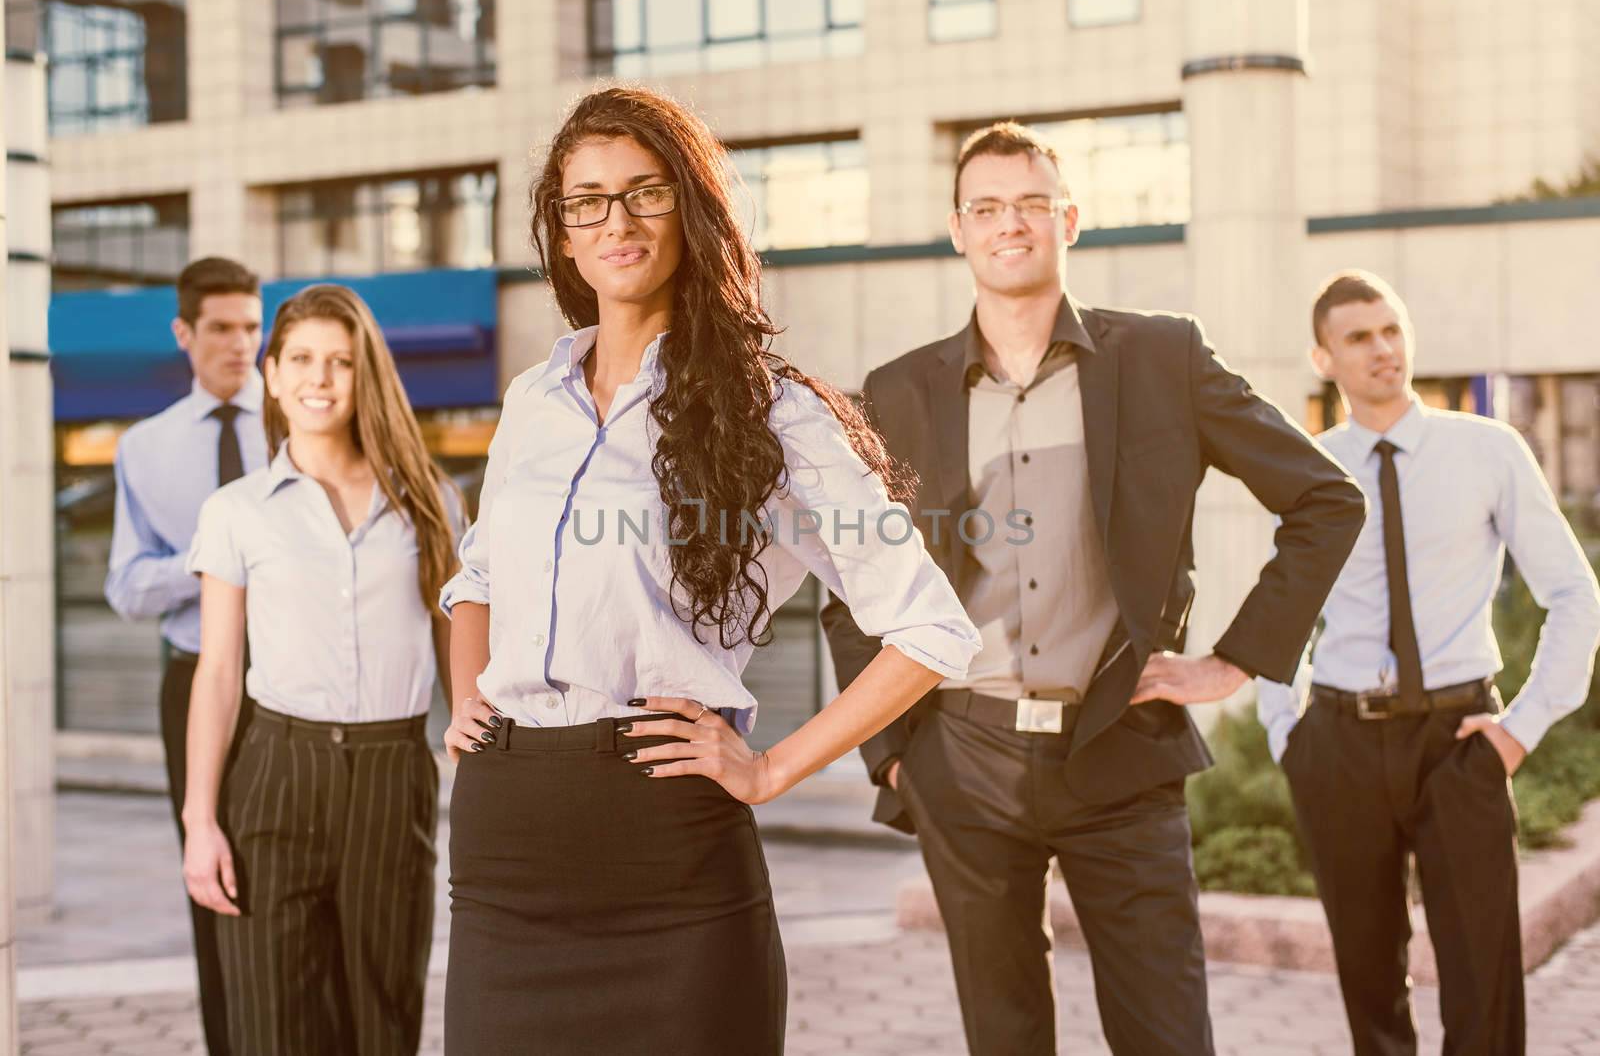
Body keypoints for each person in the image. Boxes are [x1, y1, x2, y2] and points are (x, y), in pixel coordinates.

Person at [438, 86, 980, 1056]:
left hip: (667, 843)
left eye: (645, 193)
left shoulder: (772, 409)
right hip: (505, 847)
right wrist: (465, 698)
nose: (616, 220)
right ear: (561, 234)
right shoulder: (533, 397)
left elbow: (930, 627)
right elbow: (474, 571)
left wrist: (770, 767)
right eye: (587, 200)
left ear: (691, 212)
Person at [820, 121, 1368, 1056]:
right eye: (987, 207)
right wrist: (896, 750)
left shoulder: (1163, 358)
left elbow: (1325, 498)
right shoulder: (898, 391)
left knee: (1167, 1036)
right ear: (958, 230)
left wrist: (1234, 660)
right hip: (964, 758)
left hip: (1122, 753)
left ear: (1070, 219)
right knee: (1006, 1036)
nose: (1011, 224)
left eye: (1032, 203)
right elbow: (851, 581)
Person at [1257, 270, 1600, 1056]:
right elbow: (1277, 614)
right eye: (1358, 337)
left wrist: (1521, 728)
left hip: (1460, 741)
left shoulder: (1487, 450)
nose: (1383, 349)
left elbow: (1575, 595)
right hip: (1339, 743)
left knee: (1484, 987)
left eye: (1391, 329)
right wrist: (1290, 736)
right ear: (1324, 357)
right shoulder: (1307, 468)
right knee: (1369, 985)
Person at [181, 284, 464, 1055]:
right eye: (301, 359)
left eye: (340, 362)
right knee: (272, 1020)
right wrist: (199, 820)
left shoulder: (431, 503)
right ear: (269, 373)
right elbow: (218, 669)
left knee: (383, 1015)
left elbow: (458, 654)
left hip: (391, 773)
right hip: (275, 772)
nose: (320, 377)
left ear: (365, 372)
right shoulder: (237, 510)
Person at [104, 255, 266, 1054]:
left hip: (287, 685)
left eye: (251, 326)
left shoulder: (304, 422)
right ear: (184, 332)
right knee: (210, 870)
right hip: (191, 684)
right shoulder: (145, 446)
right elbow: (126, 587)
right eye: (222, 329)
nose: (241, 345)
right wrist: (212, 560)